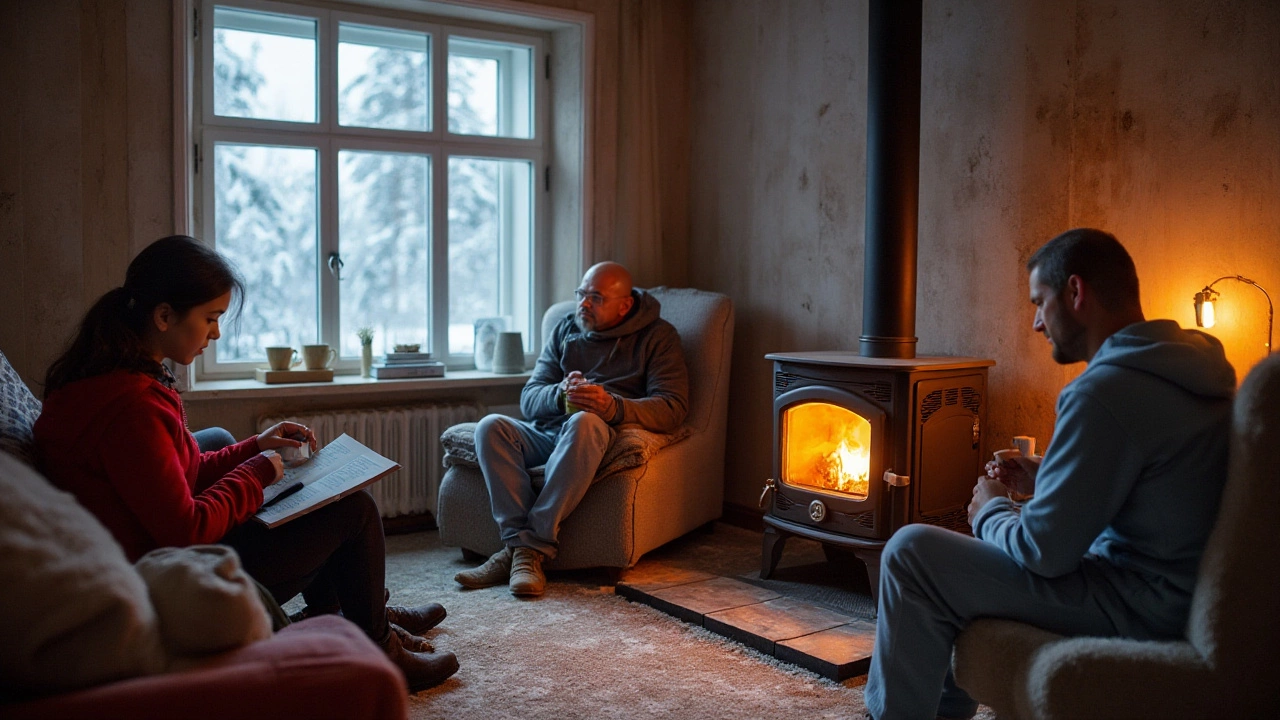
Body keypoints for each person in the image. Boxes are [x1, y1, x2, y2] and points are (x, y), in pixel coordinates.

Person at [33, 235, 459, 692]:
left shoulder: (113, 375)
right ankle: (378, 644)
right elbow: (185, 530)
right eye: (210, 318)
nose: (215, 333)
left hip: (156, 553)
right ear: (163, 316)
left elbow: (182, 471)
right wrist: (256, 472)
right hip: (172, 581)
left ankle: (353, 611)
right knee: (351, 511)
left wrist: (257, 445)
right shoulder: (132, 407)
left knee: (238, 454)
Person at [863, 228, 1236, 720]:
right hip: (1176, 595)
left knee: (911, 553)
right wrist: (1047, 477)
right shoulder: (1187, 370)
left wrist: (989, 508)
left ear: (1076, 292)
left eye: (1039, 302)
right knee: (953, 569)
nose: (1036, 323)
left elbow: (1044, 554)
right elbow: (1152, 488)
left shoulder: (1104, 391)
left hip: (1137, 606)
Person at [455, 261, 689, 597]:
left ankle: (528, 550)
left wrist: (614, 407)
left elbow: (673, 407)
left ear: (624, 305)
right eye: (581, 294)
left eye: (596, 297)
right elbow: (529, 399)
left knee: (585, 421)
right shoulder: (566, 329)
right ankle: (519, 548)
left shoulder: (658, 337)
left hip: (594, 434)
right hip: (546, 432)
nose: (583, 304)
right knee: (490, 426)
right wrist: (559, 393)